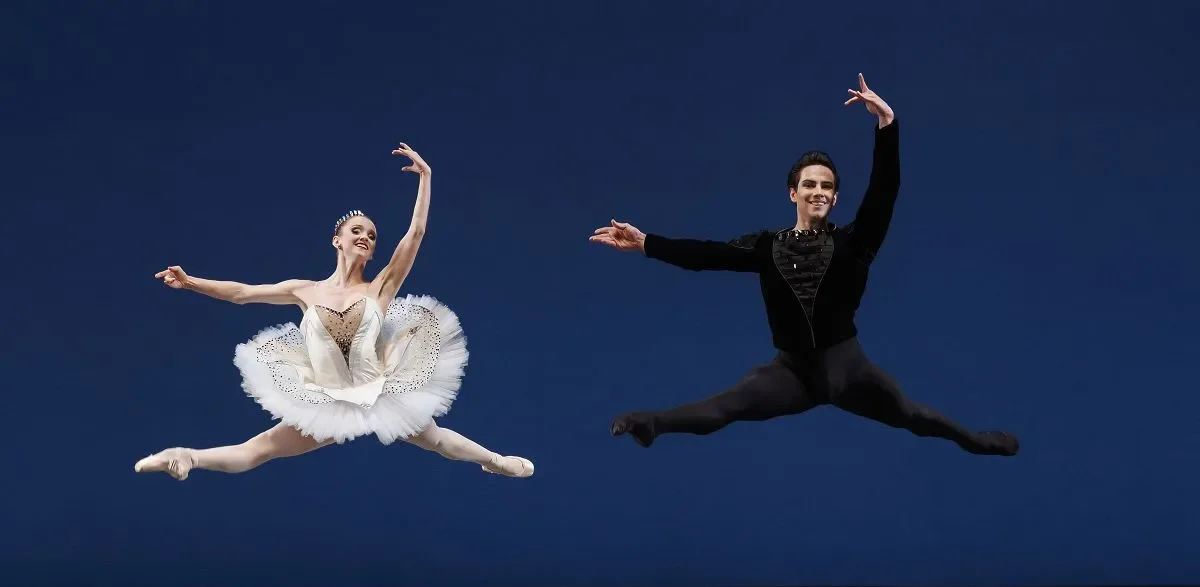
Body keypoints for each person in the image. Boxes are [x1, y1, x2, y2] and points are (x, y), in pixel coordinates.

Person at [590, 74, 1018, 457]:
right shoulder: (765, 246)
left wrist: (887, 126)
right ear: (792, 193)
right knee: (726, 407)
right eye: (809, 184)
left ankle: (976, 441)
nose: (818, 191)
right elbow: (706, 255)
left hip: (850, 371)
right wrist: (646, 243)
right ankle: (651, 424)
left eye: (827, 186)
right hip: (792, 373)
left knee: (911, 415)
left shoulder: (855, 242)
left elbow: (884, 192)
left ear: (835, 197)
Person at [134, 142, 534, 481]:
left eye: (371, 235)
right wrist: (191, 282)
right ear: (336, 241)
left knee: (436, 439)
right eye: (356, 231)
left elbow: (416, 233)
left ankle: (495, 461)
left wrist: (426, 178)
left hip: (377, 392)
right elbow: (241, 293)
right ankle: (186, 455)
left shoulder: (380, 288)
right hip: (328, 400)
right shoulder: (303, 290)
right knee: (259, 449)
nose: (365, 237)